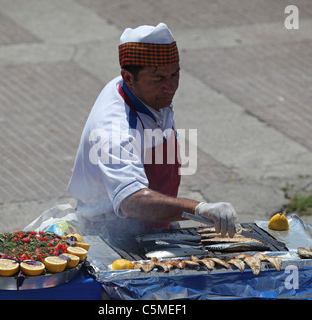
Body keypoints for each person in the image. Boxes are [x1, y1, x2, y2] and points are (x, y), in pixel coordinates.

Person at [67, 23, 238, 238]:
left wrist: (170, 217)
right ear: (128, 78)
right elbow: (132, 200)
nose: (171, 87)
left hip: (154, 224)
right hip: (112, 233)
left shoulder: (150, 95)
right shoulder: (114, 129)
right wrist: (198, 209)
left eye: (175, 75)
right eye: (159, 79)